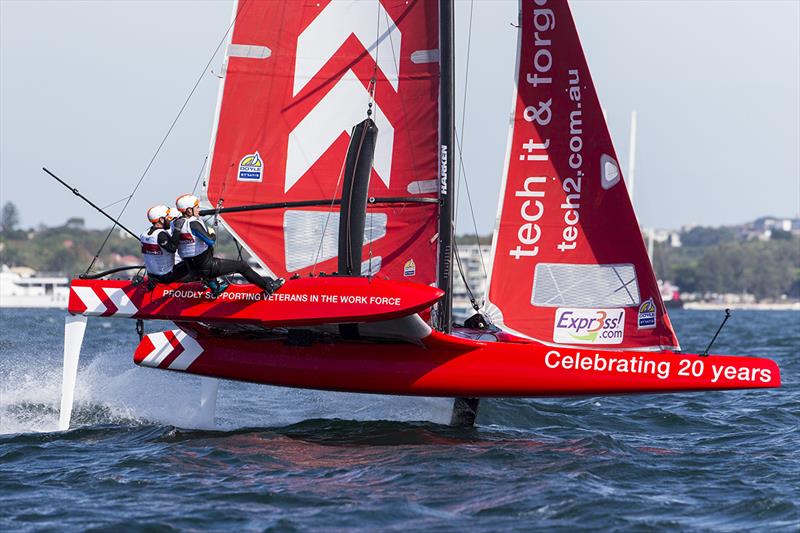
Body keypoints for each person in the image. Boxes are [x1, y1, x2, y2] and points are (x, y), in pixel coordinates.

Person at [172, 194, 284, 297]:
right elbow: (210, 241)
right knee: (242, 266)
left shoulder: (176, 224)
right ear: (188, 210)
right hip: (207, 268)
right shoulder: (193, 224)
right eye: (196, 207)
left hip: (192, 270)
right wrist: (212, 233)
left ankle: (216, 288)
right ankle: (269, 287)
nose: (198, 209)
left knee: (205, 261)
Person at [140, 205, 190, 285]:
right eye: (168, 217)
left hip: (152, 276)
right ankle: (210, 286)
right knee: (194, 261)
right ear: (161, 219)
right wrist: (177, 229)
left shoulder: (144, 234)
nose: (170, 220)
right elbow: (173, 248)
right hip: (166, 277)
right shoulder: (161, 235)